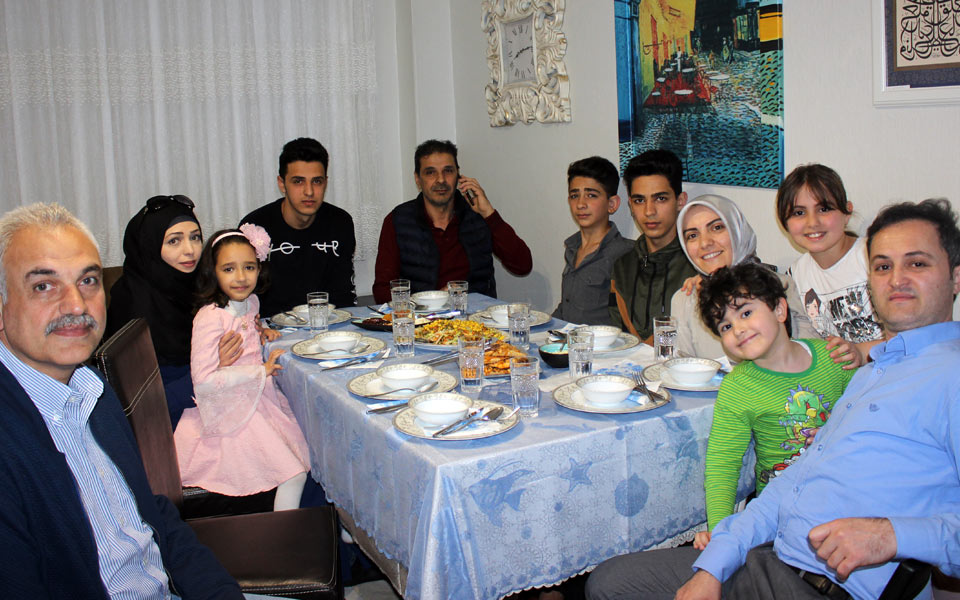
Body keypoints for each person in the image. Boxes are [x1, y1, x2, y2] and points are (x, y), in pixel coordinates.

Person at [586, 198, 960, 600]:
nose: (896, 279)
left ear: (955, 278)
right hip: (772, 558)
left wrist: (891, 535)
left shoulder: (946, 375)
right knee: (608, 583)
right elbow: (790, 481)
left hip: (832, 586)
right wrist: (716, 562)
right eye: (883, 266)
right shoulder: (869, 371)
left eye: (917, 263)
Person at [0, 203, 242, 598]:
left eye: (88, 281)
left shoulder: (92, 390)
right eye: (44, 286)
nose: (76, 305)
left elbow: (152, 516)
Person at [694, 262, 854, 546]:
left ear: (780, 310)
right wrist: (721, 534)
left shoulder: (833, 357)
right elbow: (724, 464)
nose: (739, 329)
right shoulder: (737, 387)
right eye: (726, 326)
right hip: (778, 514)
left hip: (844, 495)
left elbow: (868, 415)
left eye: (746, 313)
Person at [174, 225, 310, 512]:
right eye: (229, 269)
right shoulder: (209, 318)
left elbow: (249, 327)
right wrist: (260, 371)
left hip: (260, 400)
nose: (240, 277)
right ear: (213, 272)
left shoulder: (251, 302)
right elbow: (204, 381)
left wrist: (262, 332)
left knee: (310, 448)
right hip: (232, 409)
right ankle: (287, 533)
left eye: (249, 267)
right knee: (293, 472)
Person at [372, 139, 532, 302]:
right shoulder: (398, 220)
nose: (440, 180)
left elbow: (522, 266)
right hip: (421, 320)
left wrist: (489, 213)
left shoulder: (479, 215)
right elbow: (382, 291)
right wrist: (432, 300)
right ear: (417, 179)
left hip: (475, 319)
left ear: (458, 176)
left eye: (448, 171)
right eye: (430, 172)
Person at [672, 194, 826, 360]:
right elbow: (681, 371)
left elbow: (811, 358)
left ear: (737, 229)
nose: (705, 243)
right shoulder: (685, 299)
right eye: (692, 236)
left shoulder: (779, 286)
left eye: (716, 228)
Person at [105, 194, 203, 429]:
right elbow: (140, 405)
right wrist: (212, 369)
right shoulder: (133, 306)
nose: (190, 250)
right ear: (149, 245)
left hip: (205, 405)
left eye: (195, 237)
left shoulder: (199, 287)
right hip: (165, 428)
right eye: (174, 241)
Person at [241, 137, 357, 317]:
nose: (309, 191)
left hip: (330, 328)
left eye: (317, 181)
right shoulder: (255, 226)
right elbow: (244, 299)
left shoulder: (340, 222)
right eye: (298, 181)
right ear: (282, 183)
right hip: (271, 332)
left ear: (325, 182)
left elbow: (344, 296)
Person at [777, 164, 884, 347]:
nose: (812, 222)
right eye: (799, 213)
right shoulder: (795, 276)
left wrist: (860, 352)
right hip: (837, 374)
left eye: (824, 209)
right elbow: (807, 345)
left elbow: (912, 337)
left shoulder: (876, 257)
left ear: (847, 212)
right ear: (785, 223)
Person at [609, 149, 696, 341]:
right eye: (640, 200)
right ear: (631, 205)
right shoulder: (623, 267)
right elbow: (618, 340)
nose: (649, 211)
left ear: (680, 201)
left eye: (660, 199)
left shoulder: (698, 266)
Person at [553, 156, 634, 325]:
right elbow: (567, 307)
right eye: (575, 195)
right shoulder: (572, 247)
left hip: (601, 347)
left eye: (591, 195)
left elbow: (628, 320)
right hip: (566, 342)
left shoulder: (624, 253)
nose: (581, 204)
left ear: (612, 204)